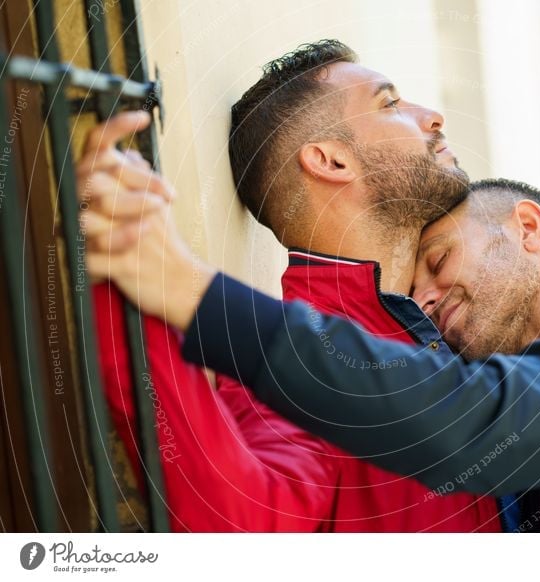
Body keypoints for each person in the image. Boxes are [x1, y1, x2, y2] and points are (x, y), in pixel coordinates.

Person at [85, 145, 540, 531]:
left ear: (526, 229)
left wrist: (189, 292)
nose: (424, 297)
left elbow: (471, 417)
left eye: (439, 261)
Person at [81, 39, 502, 531]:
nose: (432, 117)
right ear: (330, 160)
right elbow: (241, 522)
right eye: (390, 103)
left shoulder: (454, 320)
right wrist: (118, 272)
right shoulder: (289, 361)